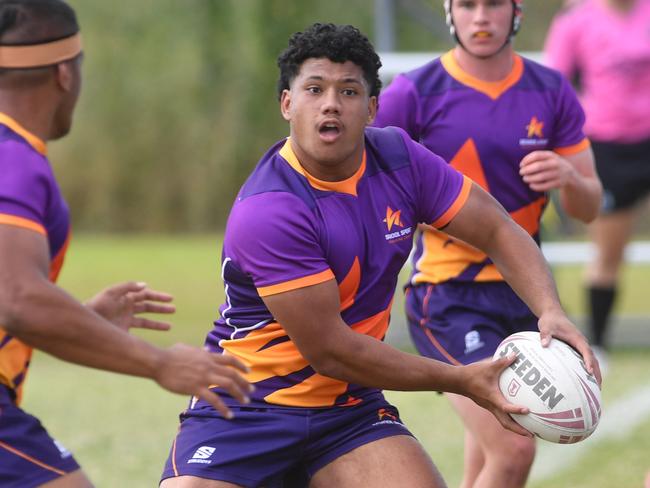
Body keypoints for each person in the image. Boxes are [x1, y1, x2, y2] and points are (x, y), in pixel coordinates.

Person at [160, 22, 600, 488]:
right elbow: (331, 350)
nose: (330, 103)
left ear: (372, 107)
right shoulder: (270, 209)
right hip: (246, 409)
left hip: (347, 413)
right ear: (287, 103)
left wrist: (549, 310)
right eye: (314, 88)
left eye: (348, 91)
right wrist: (464, 379)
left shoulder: (400, 159)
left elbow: (496, 227)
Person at [0, 1, 252, 486]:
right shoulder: (14, 159)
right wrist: (160, 362)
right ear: (65, 74)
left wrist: (82, 321)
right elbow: (18, 298)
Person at [372, 1, 603, 487]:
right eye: (467, 4)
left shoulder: (549, 89)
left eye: (494, 3)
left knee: (488, 454)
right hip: (449, 296)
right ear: (449, 11)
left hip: (529, 298)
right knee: (514, 447)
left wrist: (569, 179)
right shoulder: (414, 93)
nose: (481, 16)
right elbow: (364, 187)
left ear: (516, 11)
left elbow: (588, 207)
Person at [545, 0, 650, 362]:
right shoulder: (577, 20)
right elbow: (554, 86)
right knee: (609, 252)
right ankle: (599, 343)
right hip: (607, 148)